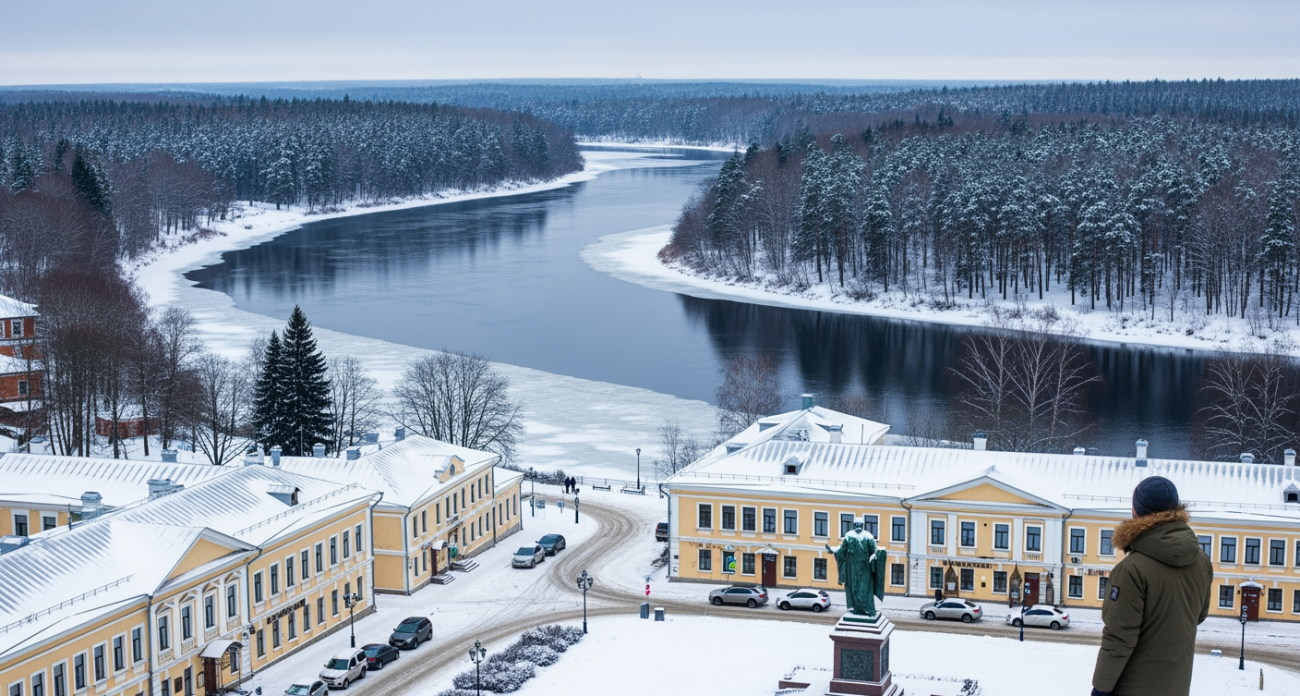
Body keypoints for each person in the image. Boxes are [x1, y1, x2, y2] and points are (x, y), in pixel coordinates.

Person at [1091, 476, 1212, 696]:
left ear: (1136, 512)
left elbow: (1118, 638)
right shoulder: (1201, 561)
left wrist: (1100, 689)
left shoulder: (1132, 569)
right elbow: (1199, 615)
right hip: (1177, 686)